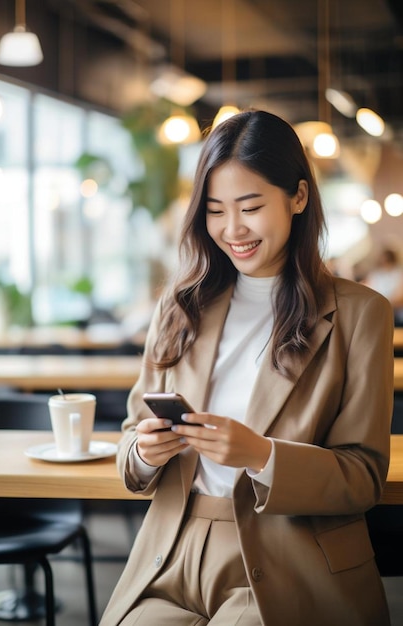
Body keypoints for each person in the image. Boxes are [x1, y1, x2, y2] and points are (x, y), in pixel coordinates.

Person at [100, 110, 394, 626]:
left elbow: (364, 477)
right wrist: (144, 452)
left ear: (298, 197)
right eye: (215, 210)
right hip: (172, 553)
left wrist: (262, 455)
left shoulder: (360, 313)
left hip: (291, 556)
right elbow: (129, 439)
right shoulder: (180, 304)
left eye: (250, 207)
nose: (232, 229)